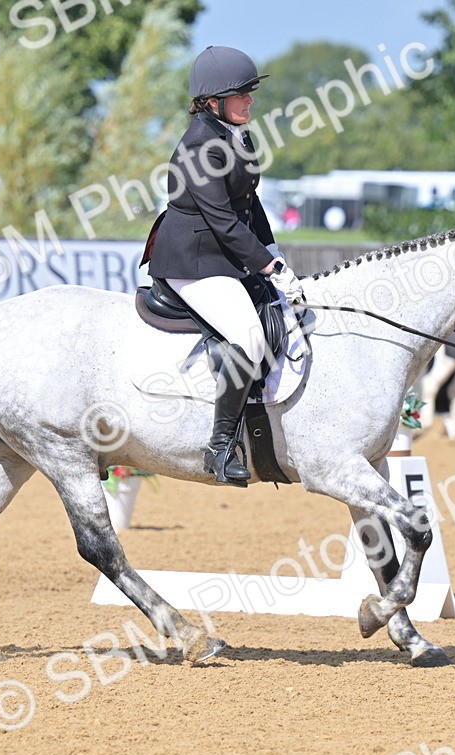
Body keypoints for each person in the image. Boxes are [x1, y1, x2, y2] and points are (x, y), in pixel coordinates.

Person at [146, 46, 304, 486]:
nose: (251, 101)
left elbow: (250, 206)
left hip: (225, 254)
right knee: (249, 336)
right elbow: (222, 220)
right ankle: (219, 448)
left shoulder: (238, 134)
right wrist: (267, 266)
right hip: (192, 260)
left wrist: (274, 252)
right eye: (243, 94)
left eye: (251, 93)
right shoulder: (199, 146)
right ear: (212, 100)